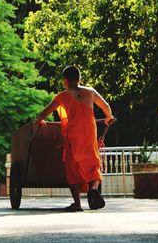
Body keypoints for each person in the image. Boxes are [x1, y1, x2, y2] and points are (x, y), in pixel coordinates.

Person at [34, 66, 114, 211]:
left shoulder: (62, 96)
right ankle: (94, 189)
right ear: (80, 79)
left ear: (65, 81)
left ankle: (77, 204)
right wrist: (108, 117)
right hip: (89, 134)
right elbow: (106, 106)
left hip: (73, 136)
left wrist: (39, 120)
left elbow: (45, 112)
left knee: (72, 169)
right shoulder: (90, 92)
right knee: (93, 165)